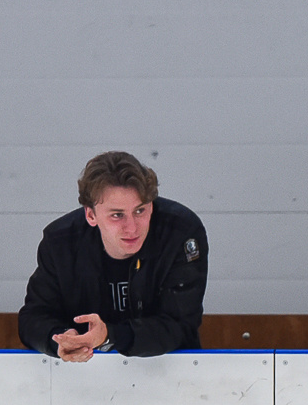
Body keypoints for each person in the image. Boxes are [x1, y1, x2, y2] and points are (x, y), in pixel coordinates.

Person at [18, 151, 208, 361]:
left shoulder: (180, 232)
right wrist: (61, 339)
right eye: (117, 215)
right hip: (81, 371)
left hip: (169, 368)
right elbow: (33, 318)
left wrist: (109, 336)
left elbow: (180, 325)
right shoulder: (60, 243)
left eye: (140, 211)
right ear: (91, 215)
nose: (132, 228)